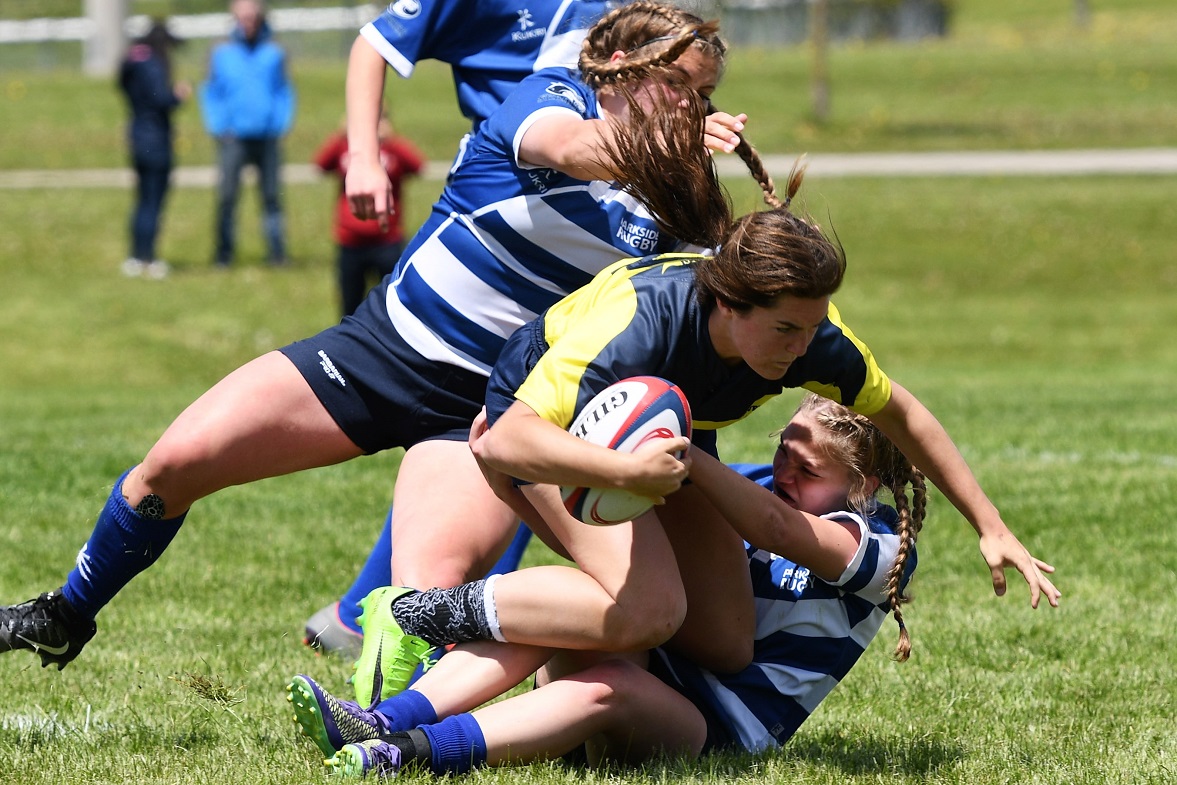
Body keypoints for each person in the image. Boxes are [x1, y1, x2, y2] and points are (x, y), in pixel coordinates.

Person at [0, 3, 751, 672]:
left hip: (482, 411)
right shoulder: (550, 98)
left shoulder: (677, 200)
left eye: (704, 97)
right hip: (378, 354)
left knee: (413, 611)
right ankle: (64, 615)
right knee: (173, 463)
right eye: (678, 86)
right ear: (619, 66)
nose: (692, 108)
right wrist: (674, 149)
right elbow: (576, 150)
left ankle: (390, 732)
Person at [345, 161, 1060, 710]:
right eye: (784, 328)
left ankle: (558, 644)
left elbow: (901, 412)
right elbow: (500, 442)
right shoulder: (635, 324)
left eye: (812, 327)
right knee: (648, 609)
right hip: (554, 430)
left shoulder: (811, 339)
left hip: (661, 435)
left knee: (722, 641)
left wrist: (989, 524)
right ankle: (412, 611)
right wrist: (619, 472)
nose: (801, 347)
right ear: (726, 301)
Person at [285, 392, 927, 775]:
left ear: (863, 484)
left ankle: (416, 752)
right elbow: (619, 562)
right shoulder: (763, 492)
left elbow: (777, 528)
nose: (782, 472)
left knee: (610, 687)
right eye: (782, 451)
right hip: (655, 661)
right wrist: (522, 483)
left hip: (715, 728)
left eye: (805, 467)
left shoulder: (882, 549)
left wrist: (684, 450)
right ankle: (376, 721)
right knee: (583, 609)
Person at [305, 0, 625, 654]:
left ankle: (380, 613)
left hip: (593, 214)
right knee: (502, 423)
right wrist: (363, 156)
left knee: (527, 420)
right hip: (506, 195)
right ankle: (394, 616)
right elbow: (375, 43)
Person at [199, 0, 295, 267]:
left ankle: (277, 253)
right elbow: (211, 92)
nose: (248, 21)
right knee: (227, 197)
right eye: (243, 16)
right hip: (233, 138)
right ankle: (223, 254)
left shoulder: (274, 51)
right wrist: (219, 127)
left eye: (252, 15)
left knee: (272, 197)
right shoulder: (221, 52)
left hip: (267, 136)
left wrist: (280, 123)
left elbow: (284, 90)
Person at [314, 112, 424, 317]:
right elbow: (321, 164)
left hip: (387, 239)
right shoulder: (347, 147)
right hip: (350, 239)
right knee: (350, 303)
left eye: (381, 118)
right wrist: (342, 135)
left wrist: (392, 141)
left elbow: (418, 166)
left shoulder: (392, 149)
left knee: (393, 303)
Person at [117, 18, 190, 280]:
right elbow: (162, 100)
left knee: (141, 201)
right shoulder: (154, 65)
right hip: (157, 139)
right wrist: (178, 95)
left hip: (137, 136)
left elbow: (122, 85)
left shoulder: (133, 60)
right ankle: (148, 257)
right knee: (153, 201)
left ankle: (135, 256)